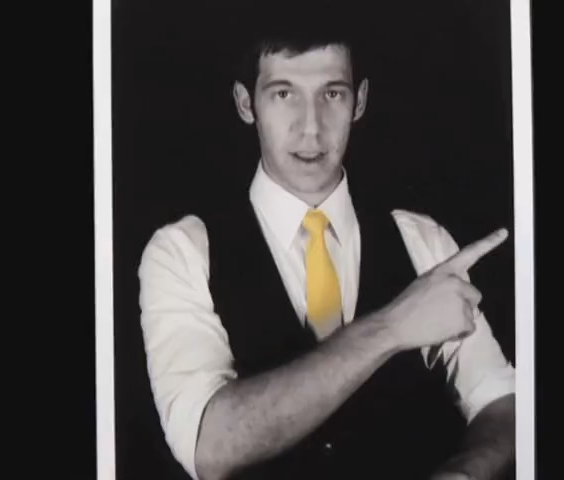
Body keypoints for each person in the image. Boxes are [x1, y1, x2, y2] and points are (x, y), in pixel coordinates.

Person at [138, 22, 516, 480]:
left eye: (332, 94)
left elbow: (503, 402)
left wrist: (464, 473)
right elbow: (209, 446)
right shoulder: (183, 252)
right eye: (284, 94)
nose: (311, 128)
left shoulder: (424, 242)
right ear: (245, 103)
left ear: (360, 101)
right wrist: (393, 326)